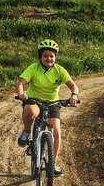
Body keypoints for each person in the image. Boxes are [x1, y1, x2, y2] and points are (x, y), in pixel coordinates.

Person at [16, 39, 79, 176]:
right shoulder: (33, 68)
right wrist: (21, 94)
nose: (48, 59)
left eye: (52, 56)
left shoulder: (59, 70)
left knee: (56, 131)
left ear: (55, 57)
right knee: (29, 111)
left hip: (52, 103)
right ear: (40, 57)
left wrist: (74, 95)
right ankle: (27, 132)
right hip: (34, 100)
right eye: (45, 56)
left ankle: (52, 164)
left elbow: (73, 85)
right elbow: (21, 83)